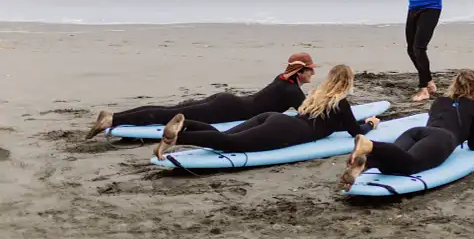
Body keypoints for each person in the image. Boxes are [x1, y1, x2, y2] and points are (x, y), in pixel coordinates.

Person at [153, 64, 380, 160]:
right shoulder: (340, 103)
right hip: (285, 131)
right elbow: (354, 132)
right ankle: (178, 137)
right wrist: (370, 124)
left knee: (226, 136)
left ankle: (187, 124)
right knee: (232, 144)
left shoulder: (316, 95)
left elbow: (330, 123)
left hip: (274, 118)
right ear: (347, 82)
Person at [84, 53, 317, 139]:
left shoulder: (282, 79)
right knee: (167, 114)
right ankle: (112, 120)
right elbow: (308, 115)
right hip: (227, 110)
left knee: (169, 110)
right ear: (301, 71)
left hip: (228, 100)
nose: (313, 74)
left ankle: (114, 116)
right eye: (310, 70)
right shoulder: (291, 91)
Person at [338, 69, 474, 189]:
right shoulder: (473, 105)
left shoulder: (440, 101)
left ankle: (365, 163)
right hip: (443, 138)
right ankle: (370, 145)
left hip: (417, 132)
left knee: (392, 162)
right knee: (411, 165)